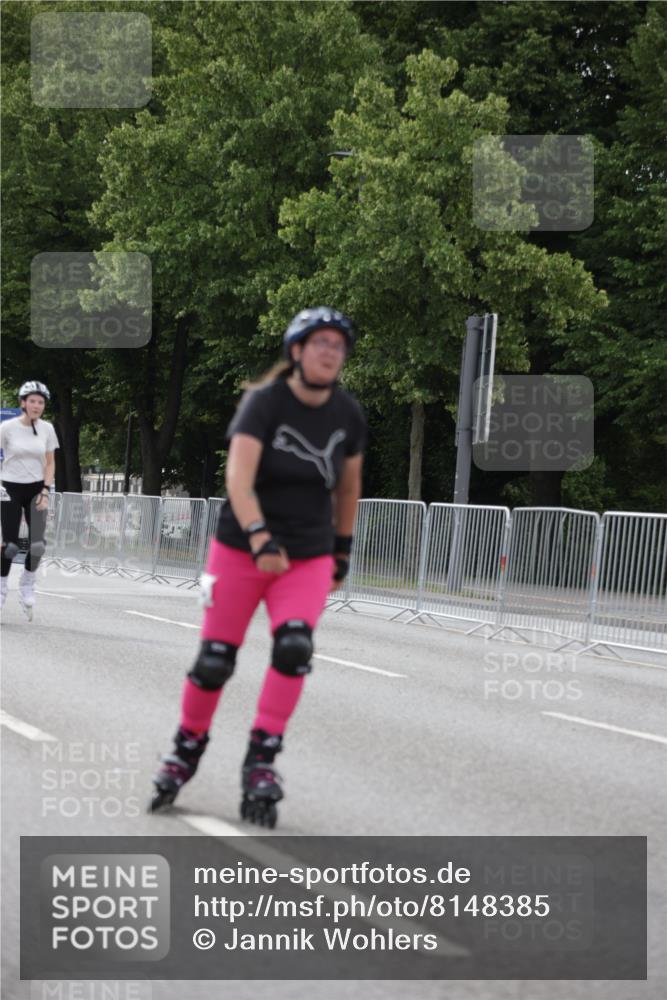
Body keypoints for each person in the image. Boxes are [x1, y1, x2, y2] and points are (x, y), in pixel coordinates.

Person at [150, 307, 366, 826]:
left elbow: (349, 485)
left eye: (339, 345)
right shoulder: (263, 403)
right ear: (297, 350)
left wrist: (342, 548)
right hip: (242, 547)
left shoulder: (347, 414)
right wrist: (260, 536)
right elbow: (238, 479)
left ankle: (261, 760)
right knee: (215, 660)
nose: (330, 352)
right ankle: (187, 747)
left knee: (294, 648)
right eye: (321, 343)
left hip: (307, 554)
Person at [0, 381, 59, 618]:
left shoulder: (47, 429)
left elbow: (50, 462)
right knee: (10, 545)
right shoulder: (7, 427)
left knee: (37, 545)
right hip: (9, 487)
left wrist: (45, 490)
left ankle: (27, 582)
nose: (36, 405)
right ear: (23, 403)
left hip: (36, 488)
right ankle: (2, 588)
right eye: (32, 401)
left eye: (41, 402)